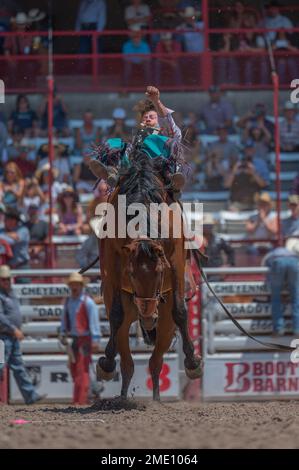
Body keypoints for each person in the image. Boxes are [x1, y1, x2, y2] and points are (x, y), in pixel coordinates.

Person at [89, 85, 185, 193]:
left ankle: (171, 179)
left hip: (162, 165)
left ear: (158, 119)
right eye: (145, 117)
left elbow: (166, 119)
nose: (148, 119)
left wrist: (156, 101)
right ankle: (112, 172)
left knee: (153, 140)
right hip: (138, 165)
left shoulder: (170, 131)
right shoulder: (139, 135)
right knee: (115, 142)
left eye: (152, 117)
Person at [0, 265, 47, 404]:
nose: (6, 281)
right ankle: (30, 395)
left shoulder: (11, 294)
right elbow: (0, 317)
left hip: (10, 337)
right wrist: (14, 329)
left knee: (18, 367)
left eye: (7, 279)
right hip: (4, 336)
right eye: (3, 279)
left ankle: (30, 396)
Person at [60, 272, 100, 405]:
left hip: (84, 339)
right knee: (74, 368)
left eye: (76, 284)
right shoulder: (68, 302)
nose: (74, 287)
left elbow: (94, 322)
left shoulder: (88, 302)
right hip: (73, 339)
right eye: (72, 284)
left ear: (81, 286)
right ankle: (85, 396)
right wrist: (62, 333)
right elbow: (64, 321)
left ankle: (80, 399)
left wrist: (95, 339)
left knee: (81, 370)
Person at [263, 238, 299, 336]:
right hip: (294, 261)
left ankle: (278, 329)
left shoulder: (270, 254)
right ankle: (297, 329)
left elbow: (266, 273)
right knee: (296, 297)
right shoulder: (291, 252)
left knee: (276, 298)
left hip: (277, 261)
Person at [225, 140, 270, 211]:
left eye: (251, 149)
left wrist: (253, 172)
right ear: (244, 151)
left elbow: (263, 184)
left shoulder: (260, 163)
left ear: (254, 150)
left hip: (255, 202)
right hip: (237, 202)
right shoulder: (236, 163)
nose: (249, 151)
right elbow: (227, 185)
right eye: (247, 149)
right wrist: (234, 171)